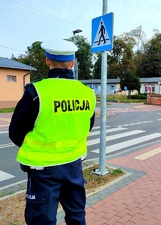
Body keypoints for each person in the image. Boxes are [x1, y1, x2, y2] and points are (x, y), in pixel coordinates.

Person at [9, 39, 96, 225]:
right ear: (72, 63)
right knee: (77, 216)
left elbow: (15, 133)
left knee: (42, 220)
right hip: (74, 166)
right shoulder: (87, 93)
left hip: (43, 171)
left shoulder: (36, 92)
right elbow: (87, 126)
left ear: (48, 61)